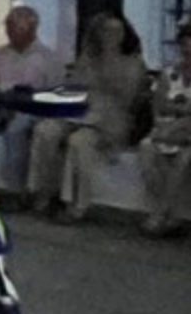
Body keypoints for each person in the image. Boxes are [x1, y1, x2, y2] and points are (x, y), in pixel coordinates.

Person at [28, 13, 150, 222]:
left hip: (111, 120)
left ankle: (77, 205)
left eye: (117, 32)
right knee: (46, 131)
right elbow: (73, 89)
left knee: (79, 142)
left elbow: (127, 98)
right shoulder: (86, 59)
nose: (112, 36)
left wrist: (108, 64)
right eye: (107, 31)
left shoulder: (133, 63)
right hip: (79, 112)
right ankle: (43, 192)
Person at [0, 6, 68, 202]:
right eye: (9, 28)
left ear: (32, 29)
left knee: (16, 127)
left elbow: (56, 93)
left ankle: (16, 191)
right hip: (0, 106)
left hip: (34, 109)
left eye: (18, 28)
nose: (12, 33)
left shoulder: (48, 58)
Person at [139, 22, 191, 236]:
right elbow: (159, 106)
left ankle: (160, 215)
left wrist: (178, 114)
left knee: (184, 157)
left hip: (186, 133)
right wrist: (182, 111)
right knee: (147, 149)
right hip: (167, 130)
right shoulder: (170, 73)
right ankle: (170, 216)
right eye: (185, 50)